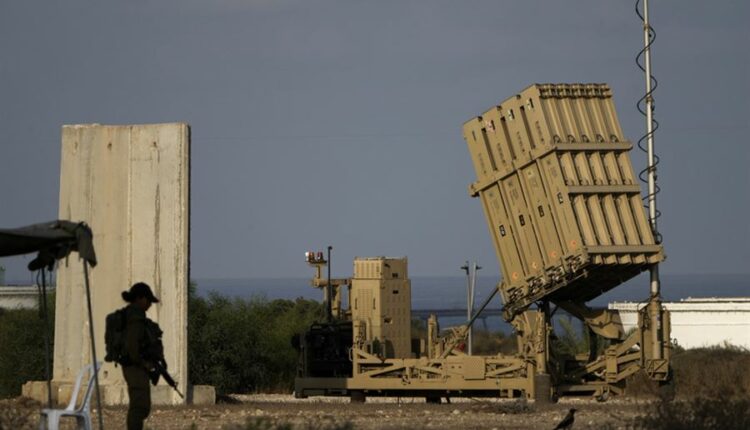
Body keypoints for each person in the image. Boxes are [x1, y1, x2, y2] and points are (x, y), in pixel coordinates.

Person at [120, 282, 160, 430]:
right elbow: (132, 346)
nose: (150, 305)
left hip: (135, 365)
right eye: (148, 301)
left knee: (142, 405)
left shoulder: (135, 316)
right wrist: (144, 363)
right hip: (134, 366)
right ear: (140, 299)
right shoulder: (135, 318)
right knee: (139, 406)